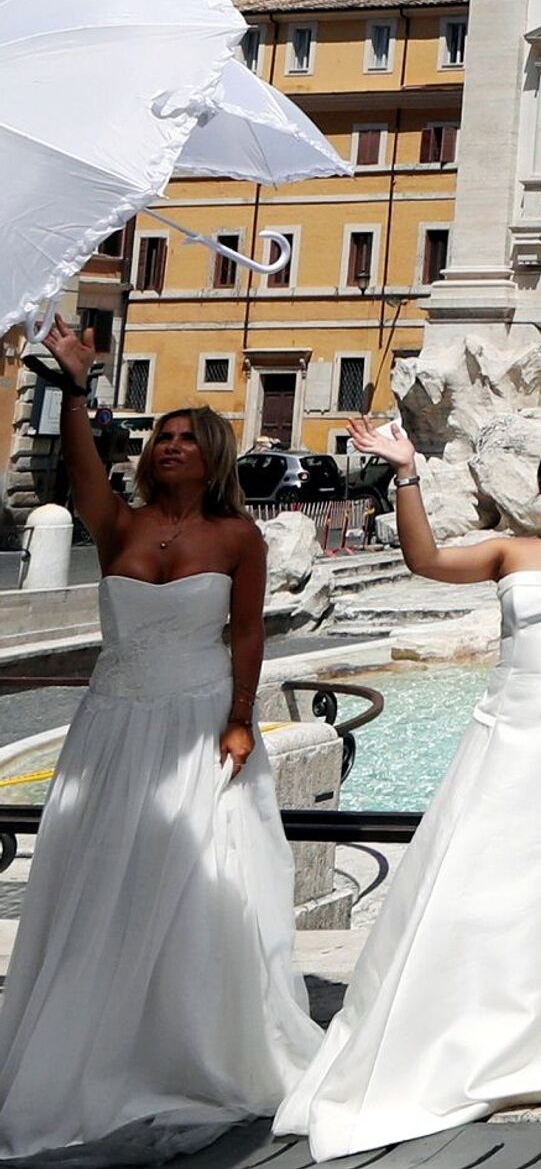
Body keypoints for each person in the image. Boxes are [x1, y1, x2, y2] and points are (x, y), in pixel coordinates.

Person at [275, 423, 541, 1159]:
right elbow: (426, 560)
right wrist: (406, 471)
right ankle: (469, 1016)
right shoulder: (512, 550)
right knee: (484, 875)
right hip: (510, 730)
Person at [0, 318, 320, 1162]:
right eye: (163, 437)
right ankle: (92, 1041)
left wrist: (242, 717)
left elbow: (246, 633)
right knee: (101, 879)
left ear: (211, 456)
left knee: (197, 881)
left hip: (199, 723)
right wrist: (75, 387)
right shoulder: (119, 523)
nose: (171, 446)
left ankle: (189, 1045)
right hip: (114, 724)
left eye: (186, 438)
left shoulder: (239, 537)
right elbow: (80, 470)